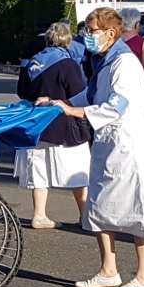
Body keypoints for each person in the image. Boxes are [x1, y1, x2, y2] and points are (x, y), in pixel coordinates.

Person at [38, 7, 144, 287]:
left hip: (129, 144)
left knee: (139, 209)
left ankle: (143, 278)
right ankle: (108, 270)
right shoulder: (104, 60)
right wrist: (57, 102)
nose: (87, 35)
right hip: (108, 142)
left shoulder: (125, 62)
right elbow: (90, 95)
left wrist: (73, 111)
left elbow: (117, 105)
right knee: (99, 207)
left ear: (110, 33)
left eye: (92, 30)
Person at [14, 23, 91, 229]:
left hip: (36, 124)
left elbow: (22, 92)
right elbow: (78, 93)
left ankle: (39, 215)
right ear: (68, 41)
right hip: (64, 123)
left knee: (38, 171)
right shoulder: (68, 64)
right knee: (77, 170)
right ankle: (84, 215)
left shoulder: (33, 62)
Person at [17, 19, 52, 97]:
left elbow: (24, 68)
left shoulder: (28, 46)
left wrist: (21, 89)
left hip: (31, 84)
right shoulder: (51, 46)